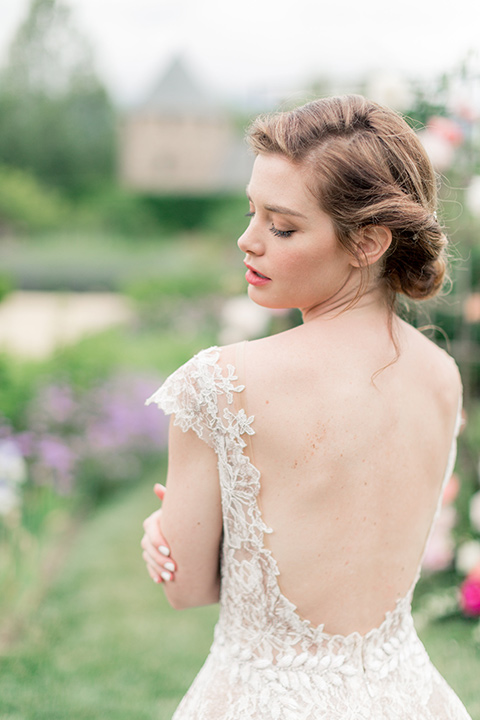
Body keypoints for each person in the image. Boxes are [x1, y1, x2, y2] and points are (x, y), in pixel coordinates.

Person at [141, 95, 472, 719]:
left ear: (368, 241)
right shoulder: (442, 377)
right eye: (252, 213)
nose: (247, 241)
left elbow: (188, 590)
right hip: (409, 698)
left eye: (282, 226)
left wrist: (163, 532)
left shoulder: (222, 382)